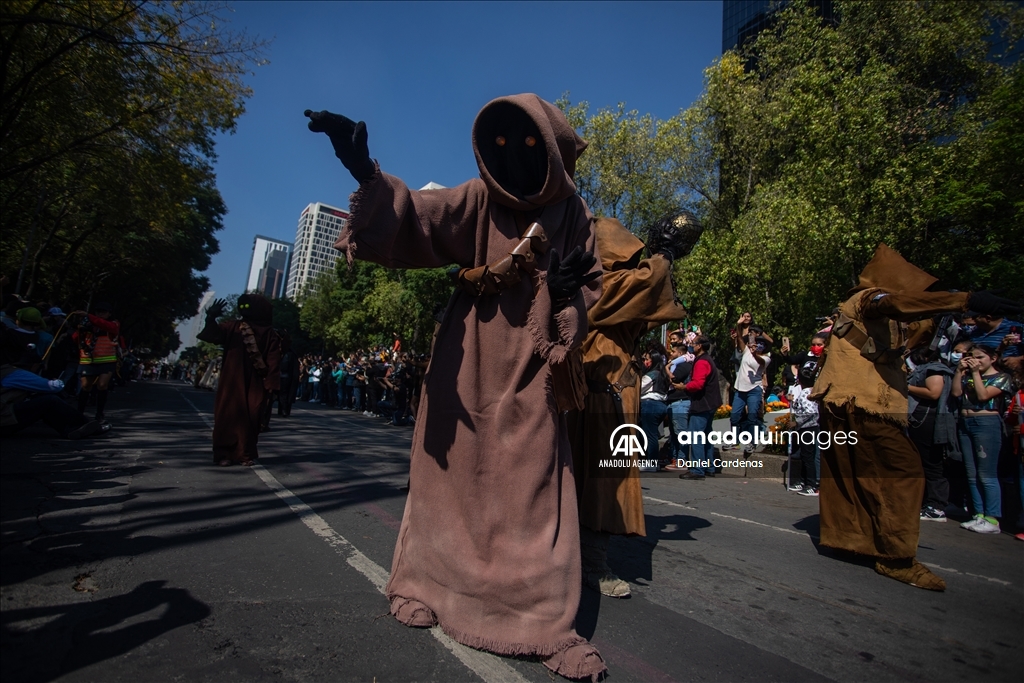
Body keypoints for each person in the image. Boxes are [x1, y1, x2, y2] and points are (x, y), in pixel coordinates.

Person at [307, 94, 606, 679]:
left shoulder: (573, 212)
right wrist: (364, 170)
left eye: (528, 145)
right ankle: (428, 582)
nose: (513, 158)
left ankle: (543, 621)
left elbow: (589, 284)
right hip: (466, 360)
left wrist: (568, 292)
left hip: (533, 364)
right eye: (501, 144)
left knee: (534, 485)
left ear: (551, 149)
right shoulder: (477, 197)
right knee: (451, 481)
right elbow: (419, 217)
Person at [810, 243, 1019, 590]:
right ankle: (896, 558)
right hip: (858, 401)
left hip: (845, 400)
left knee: (852, 473)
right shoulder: (869, 298)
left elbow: (912, 323)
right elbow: (896, 304)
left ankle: (854, 540)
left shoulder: (870, 313)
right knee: (903, 470)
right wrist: (963, 299)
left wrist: (950, 309)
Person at [567, 215, 691, 598]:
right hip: (604, 393)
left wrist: (661, 260)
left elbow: (655, 299)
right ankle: (593, 565)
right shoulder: (599, 286)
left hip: (609, 391)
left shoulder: (617, 288)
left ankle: (583, 558)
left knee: (597, 477)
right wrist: (664, 254)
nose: (636, 261)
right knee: (604, 479)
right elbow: (645, 283)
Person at [197, 293, 281, 467]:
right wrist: (211, 317)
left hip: (256, 383)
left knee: (252, 416)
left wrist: (271, 384)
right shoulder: (234, 327)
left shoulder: (270, 334)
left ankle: (245, 452)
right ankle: (223, 453)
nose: (244, 310)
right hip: (232, 381)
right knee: (227, 414)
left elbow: (273, 360)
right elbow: (213, 335)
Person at [951, 344, 1013, 534]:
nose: (974, 361)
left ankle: (992, 518)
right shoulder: (967, 375)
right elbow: (956, 393)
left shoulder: (1002, 377)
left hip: (986, 423)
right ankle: (978, 513)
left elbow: (983, 395)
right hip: (966, 421)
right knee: (971, 472)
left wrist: (976, 373)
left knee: (987, 473)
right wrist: (959, 371)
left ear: (993, 358)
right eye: (971, 357)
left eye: (979, 357)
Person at [905, 345, 957, 522]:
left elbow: (933, 392)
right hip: (918, 422)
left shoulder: (934, 369)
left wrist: (906, 387)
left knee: (931, 463)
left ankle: (936, 506)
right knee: (920, 463)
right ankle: (926, 502)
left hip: (929, 422)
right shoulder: (923, 369)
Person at [1, 364, 109, 439]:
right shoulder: (12, 373)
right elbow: (54, 387)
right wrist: (56, 380)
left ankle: (74, 428)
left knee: (41, 400)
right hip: (4, 419)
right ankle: (82, 425)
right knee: (49, 400)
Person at [679, 335, 723, 480]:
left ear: (700, 346)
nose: (691, 345)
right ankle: (709, 466)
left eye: (693, 343)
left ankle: (697, 469)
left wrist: (683, 386)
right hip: (710, 403)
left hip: (702, 403)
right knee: (706, 435)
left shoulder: (702, 362)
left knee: (696, 435)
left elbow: (697, 384)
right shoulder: (706, 359)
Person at [72, 302, 120, 424]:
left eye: (104, 312)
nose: (101, 314)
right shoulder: (88, 323)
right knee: (85, 386)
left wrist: (89, 317)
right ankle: (79, 413)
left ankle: (99, 413)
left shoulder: (113, 324)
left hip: (107, 359)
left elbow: (109, 327)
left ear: (109, 313)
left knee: (102, 385)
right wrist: (81, 329)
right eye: (98, 312)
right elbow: (75, 338)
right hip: (88, 359)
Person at [729, 327, 771, 456]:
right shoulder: (746, 350)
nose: (758, 345)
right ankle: (735, 439)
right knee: (734, 416)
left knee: (752, 417)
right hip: (740, 389)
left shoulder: (766, 358)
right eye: (757, 342)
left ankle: (752, 442)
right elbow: (740, 340)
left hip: (754, 390)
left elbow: (760, 362)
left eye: (761, 344)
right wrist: (739, 325)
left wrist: (754, 353)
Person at [786, 361, 820, 496]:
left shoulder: (806, 393)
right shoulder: (810, 392)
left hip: (808, 428)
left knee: (808, 457)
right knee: (803, 455)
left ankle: (811, 484)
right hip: (806, 428)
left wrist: (796, 422)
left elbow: (810, 411)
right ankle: (802, 481)